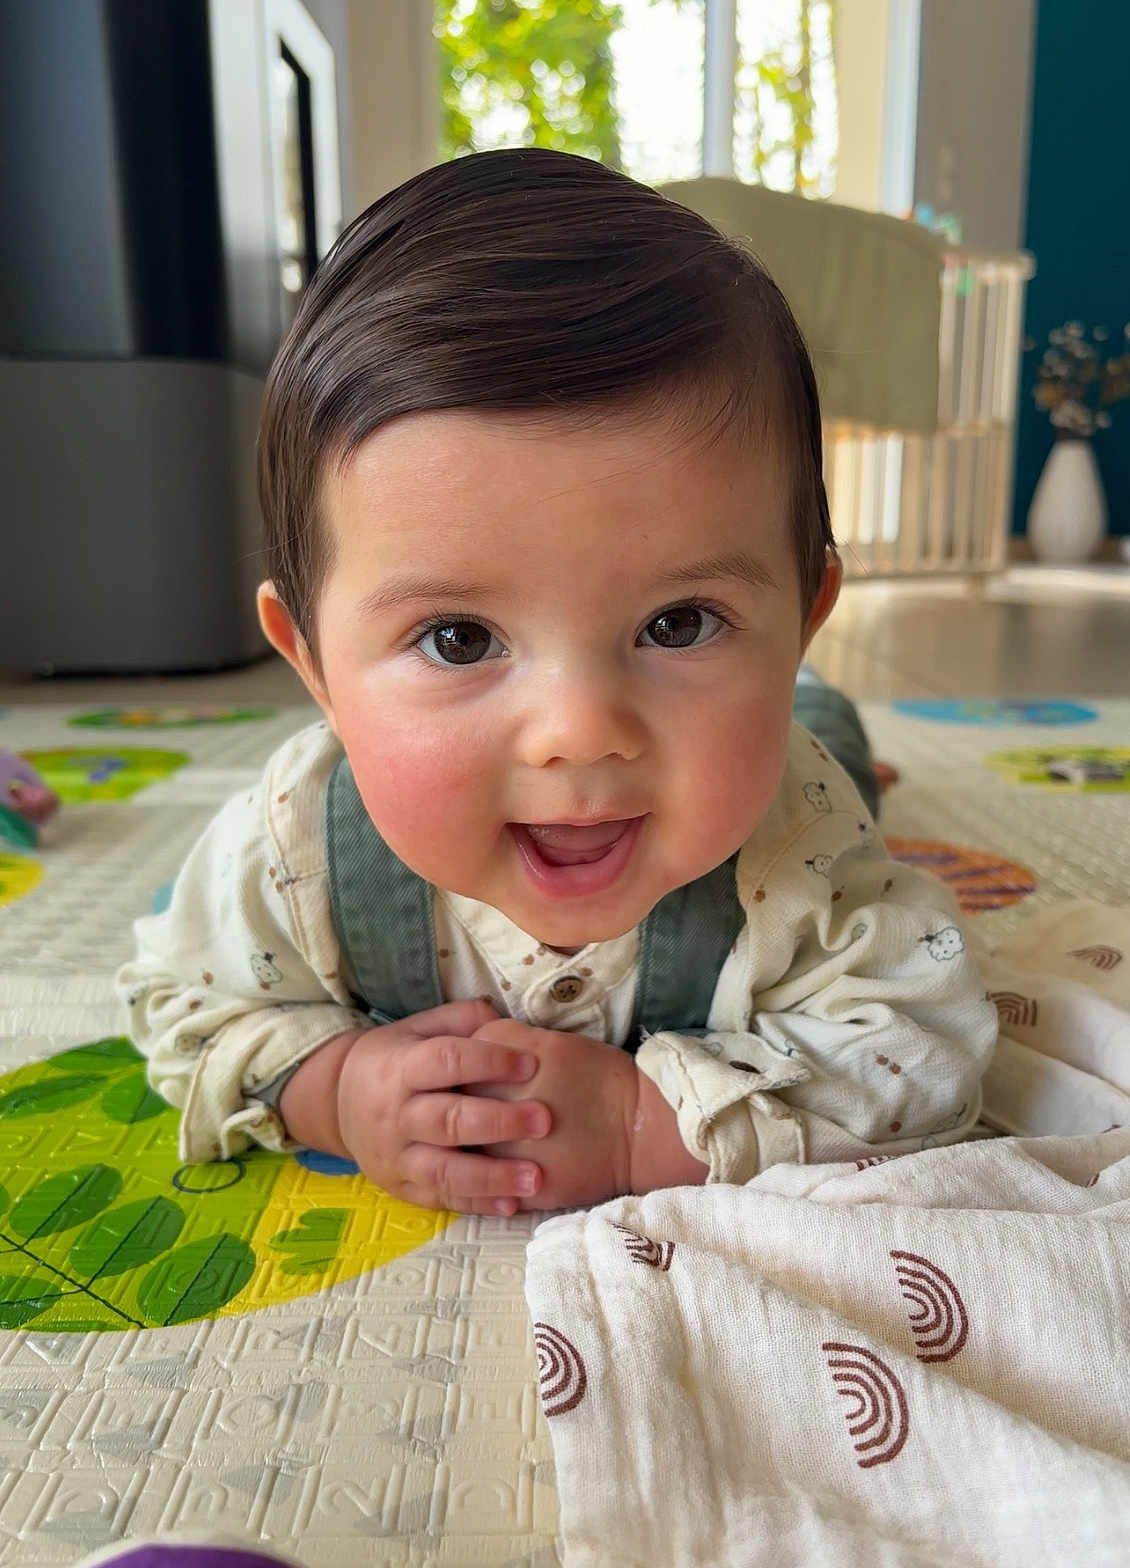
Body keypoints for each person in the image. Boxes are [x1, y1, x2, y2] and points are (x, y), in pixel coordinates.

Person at [116, 149, 996, 1216]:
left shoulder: (802, 847)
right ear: (314, 665)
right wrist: (331, 1088)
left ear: (804, 620)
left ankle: (824, 717)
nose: (579, 732)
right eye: (457, 639)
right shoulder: (294, 847)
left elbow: (925, 1048)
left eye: (678, 624)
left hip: (790, 773)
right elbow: (180, 1000)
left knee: (825, 751)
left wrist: (645, 1127)